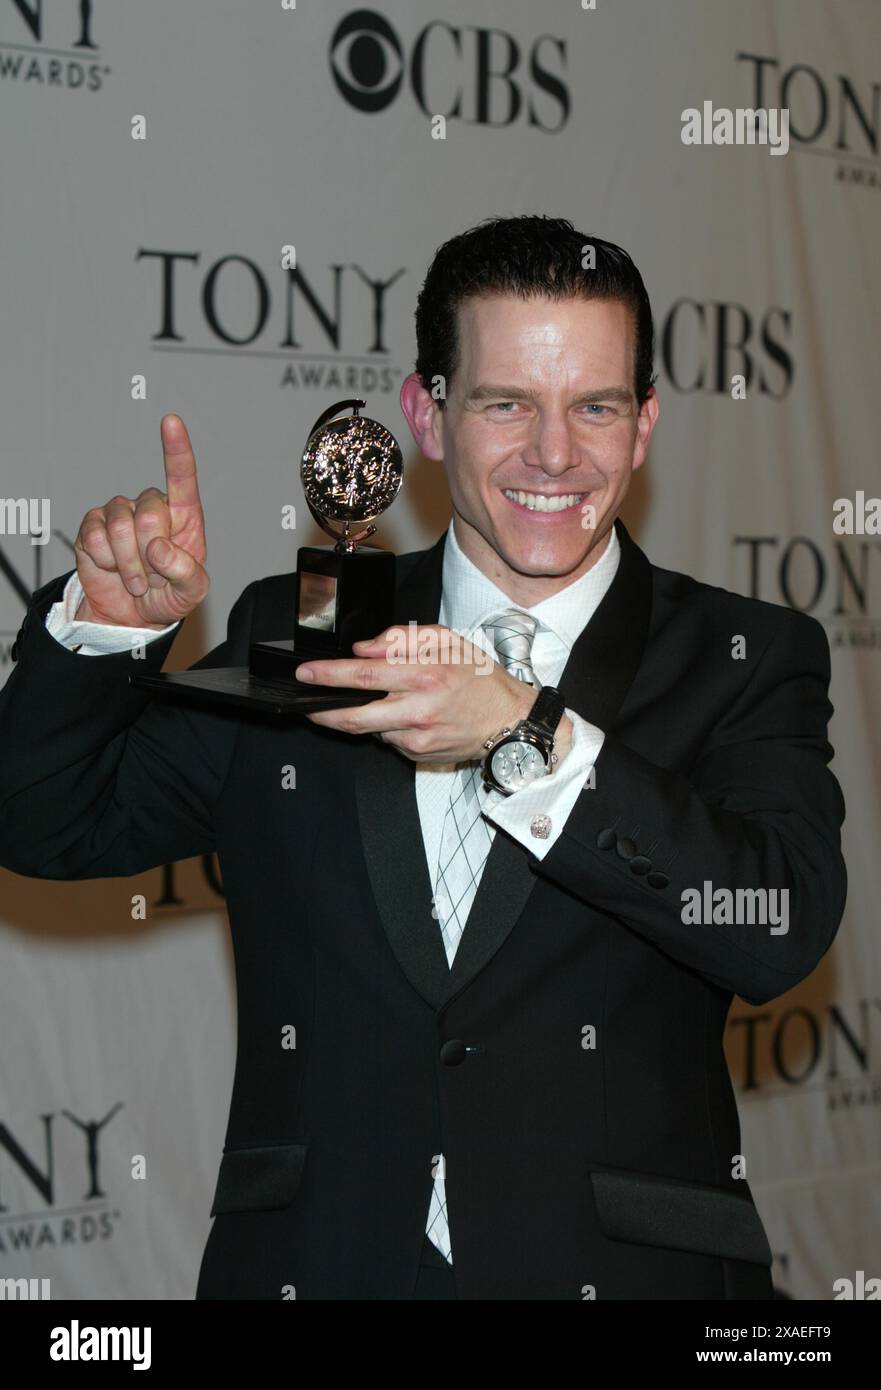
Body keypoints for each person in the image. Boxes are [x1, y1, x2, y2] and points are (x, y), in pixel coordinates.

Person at [0, 216, 847, 1300]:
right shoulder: (305, 632)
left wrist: (520, 734)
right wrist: (104, 632)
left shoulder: (739, 657)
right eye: (505, 403)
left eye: (592, 405)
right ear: (426, 414)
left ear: (642, 427)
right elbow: (44, 818)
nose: (554, 453)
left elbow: (774, 924)